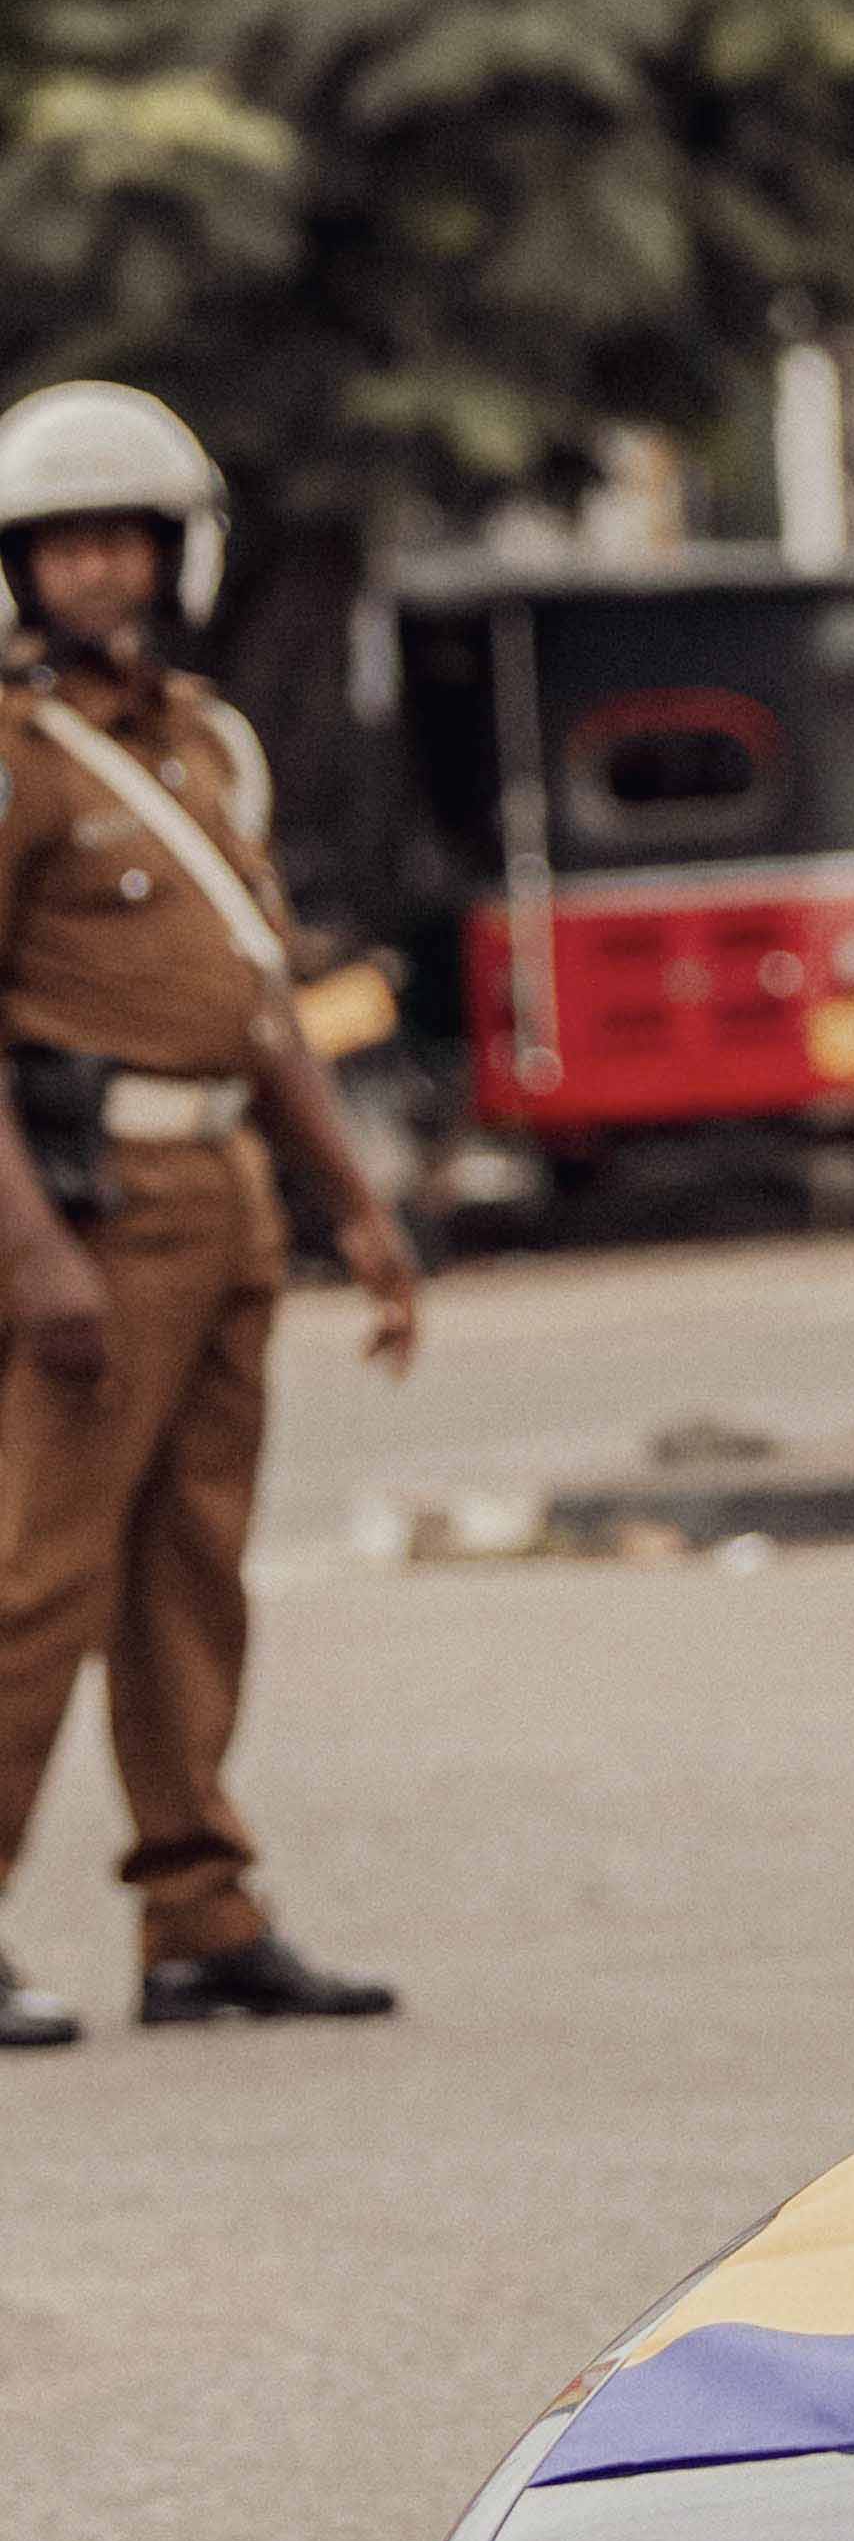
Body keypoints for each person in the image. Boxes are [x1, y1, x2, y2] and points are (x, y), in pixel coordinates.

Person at [0, 385, 420, 2044]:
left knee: (196, 1571)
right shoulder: (18, 758)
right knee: (40, 1577)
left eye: (126, 537)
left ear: (180, 551)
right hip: (84, 1211)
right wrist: (32, 1252)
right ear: (20, 568)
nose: (101, 570)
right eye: (65, 544)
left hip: (226, 1189)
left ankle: (199, 1916)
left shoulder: (206, 741)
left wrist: (357, 1209)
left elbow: (260, 1001)